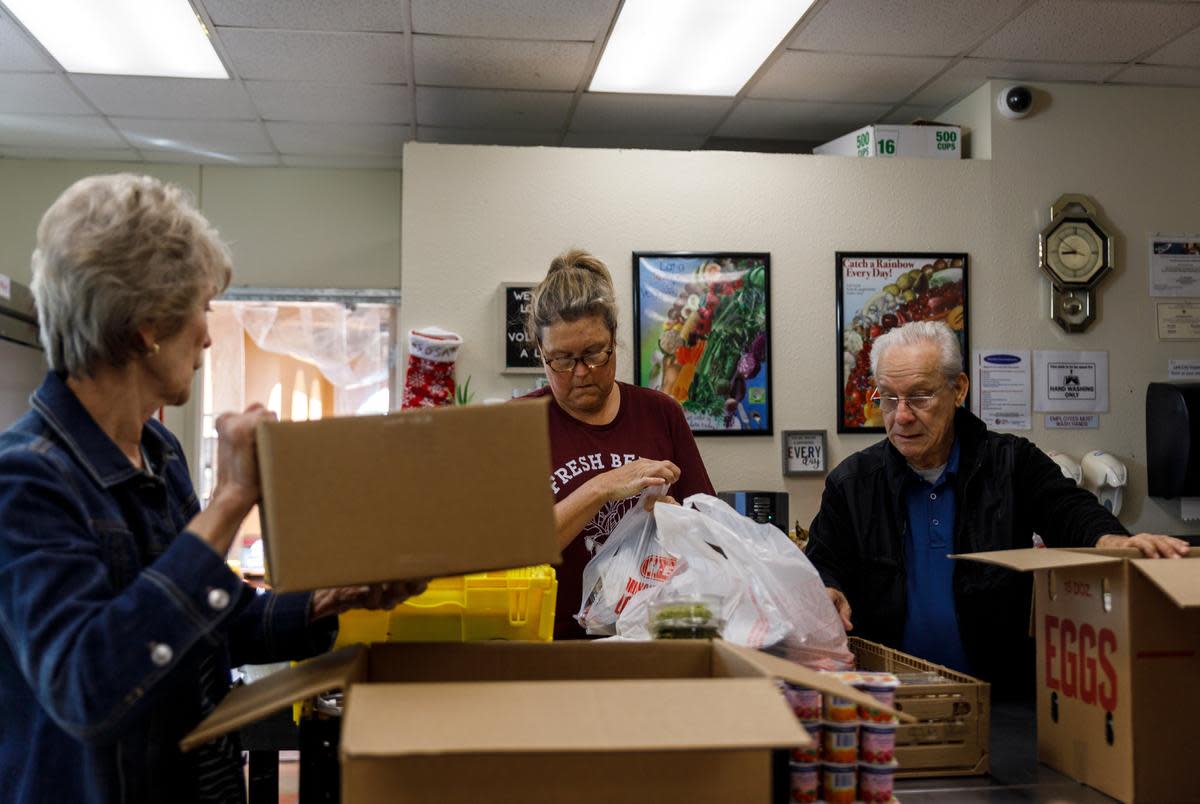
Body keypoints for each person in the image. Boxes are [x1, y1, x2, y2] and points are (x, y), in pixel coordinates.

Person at [0, 174, 426, 804]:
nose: (207, 334)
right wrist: (232, 498)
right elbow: (86, 687)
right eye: (203, 308)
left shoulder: (158, 453)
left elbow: (211, 624)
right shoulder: (25, 480)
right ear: (148, 324)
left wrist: (328, 600)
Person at [806, 320, 1188, 691]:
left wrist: (1108, 540)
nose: (901, 416)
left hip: (1004, 696)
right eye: (888, 397)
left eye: (920, 396)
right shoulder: (852, 484)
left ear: (958, 389)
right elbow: (823, 563)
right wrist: (826, 588)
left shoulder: (1011, 462)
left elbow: (1066, 508)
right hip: (889, 697)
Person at [522, 249, 715, 639]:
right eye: (561, 359)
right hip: (550, 646)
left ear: (614, 339)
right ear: (540, 353)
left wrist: (678, 523)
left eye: (595, 353)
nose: (581, 373)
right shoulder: (521, 425)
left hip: (652, 642)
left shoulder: (661, 413)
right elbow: (518, 547)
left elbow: (709, 537)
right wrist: (604, 486)